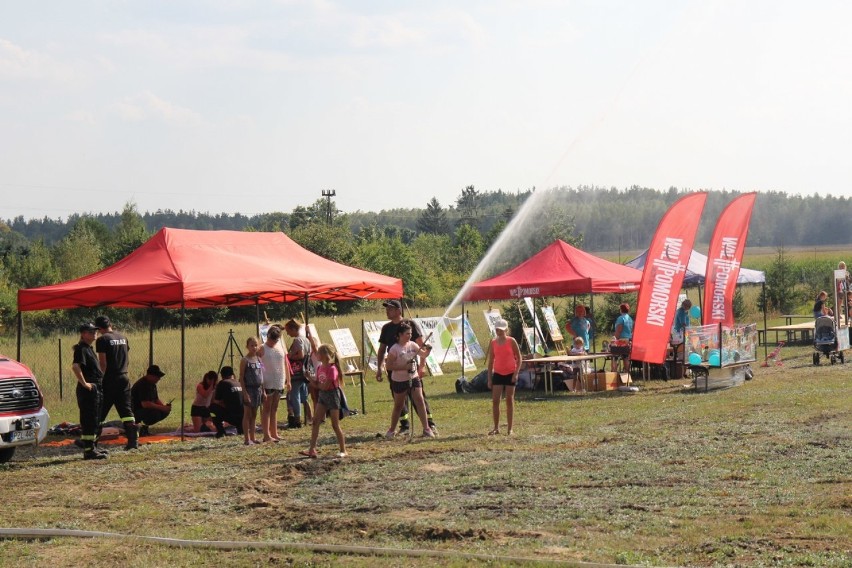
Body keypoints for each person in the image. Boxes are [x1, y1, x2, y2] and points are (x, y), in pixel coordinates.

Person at [376, 300, 438, 435]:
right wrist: (380, 368)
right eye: (387, 309)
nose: (387, 311)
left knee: (419, 399)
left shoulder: (411, 325)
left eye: (390, 309)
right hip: (395, 372)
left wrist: (422, 367)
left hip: (412, 372)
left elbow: (421, 347)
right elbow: (381, 350)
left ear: (399, 310)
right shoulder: (386, 329)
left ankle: (429, 426)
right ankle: (404, 426)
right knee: (399, 402)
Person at [95, 315, 138, 450]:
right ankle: (133, 441)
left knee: (100, 410)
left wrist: (99, 378)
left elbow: (103, 363)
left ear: (98, 328)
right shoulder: (123, 337)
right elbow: (126, 357)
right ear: (110, 324)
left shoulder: (102, 340)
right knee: (126, 409)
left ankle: (92, 442)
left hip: (110, 379)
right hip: (124, 377)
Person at [385, 322, 434, 439]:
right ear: (400, 335)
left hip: (413, 377)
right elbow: (389, 366)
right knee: (399, 405)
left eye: (411, 333)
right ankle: (391, 430)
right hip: (399, 380)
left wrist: (428, 350)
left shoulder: (413, 345)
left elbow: (423, 355)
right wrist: (404, 367)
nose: (410, 336)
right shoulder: (394, 349)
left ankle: (427, 429)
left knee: (420, 401)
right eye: (407, 334)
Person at [300, 343, 347, 459]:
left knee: (335, 425)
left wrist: (316, 384)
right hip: (323, 396)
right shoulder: (320, 367)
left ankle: (343, 450)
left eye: (319, 353)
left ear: (325, 355)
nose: (316, 355)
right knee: (316, 421)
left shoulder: (332, 369)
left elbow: (324, 386)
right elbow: (317, 384)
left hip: (332, 395)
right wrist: (309, 378)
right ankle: (312, 449)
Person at [72, 322, 107, 460]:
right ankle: (88, 451)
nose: (94, 334)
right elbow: (76, 366)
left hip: (97, 388)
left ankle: (93, 447)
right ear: (83, 334)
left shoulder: (89, 348)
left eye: (95, 331)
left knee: (97, 419)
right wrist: (85, 384)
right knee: (89, 420)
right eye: (91, 332)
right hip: (89, 390)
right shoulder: (81, 349)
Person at [485, 319, 521, 436]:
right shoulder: (493, 343)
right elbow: (491, 362)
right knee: (495, 401)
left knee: (509, 400)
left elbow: (519, 358)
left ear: (506, 329)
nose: (499, 332)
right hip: (498, 373)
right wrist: (490, 378)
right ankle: (496, 427)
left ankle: (510, 428)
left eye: (501, 329)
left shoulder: (512, 341)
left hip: (510, 373)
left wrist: (516, 374)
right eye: (497, 330)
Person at [257, 324, 290, 442]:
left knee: (275, 408)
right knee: (267, 408)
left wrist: (288, 380)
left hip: (279, 380)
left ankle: (274, 433)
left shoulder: (280, 347)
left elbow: (286, 364)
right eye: (272, 339)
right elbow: (259, 363)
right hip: (267, 381)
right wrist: (262, 375)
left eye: (276, 340)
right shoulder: (262, 348)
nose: (273, 342)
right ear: (268, 337)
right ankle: (266, 434)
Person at [284, 319, 312, 428]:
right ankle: (308, 418)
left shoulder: (297, 340)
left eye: (288, 330)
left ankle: (297, 419)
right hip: (304, 372)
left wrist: (289, 356)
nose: (287, 333)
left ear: (293, 329)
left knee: (293, 395)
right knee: (303, 396)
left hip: (297, 372)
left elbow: (301, 355)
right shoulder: (306, 340)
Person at [131, 365, 172, 435]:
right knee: (155, 413)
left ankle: (144, 428)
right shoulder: (143, 385)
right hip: (135, 411)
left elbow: (156, 399)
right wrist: (162, 408)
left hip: (145, 410)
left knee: (163, 412)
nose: (159, 379)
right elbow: (145, 404)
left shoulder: (152, 384)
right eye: (157, 376)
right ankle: (139, 427)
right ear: (150, 375)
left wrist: (164, 407)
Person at [239, 337, 265, 445]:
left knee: (254, 414)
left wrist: (263, 391)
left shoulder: (259, 359)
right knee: (247, 414)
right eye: (252, 345)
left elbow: (262, 374)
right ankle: (246, 439)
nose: (254, 347)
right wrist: (245, 393)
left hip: (258, 389)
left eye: (256, 345)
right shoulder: (245, 360)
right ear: (247, 347)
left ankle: (253, 437)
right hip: (249, 389)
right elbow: (241, 377)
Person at [210, 366, 244, 438]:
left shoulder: (223, 383)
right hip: (243, 417)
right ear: (233, 374)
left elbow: (216, 400)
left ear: (222, 375)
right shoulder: (239, 383)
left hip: (232, 416)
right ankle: (240, 428)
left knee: (212, 408)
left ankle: (221, 431)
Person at [610, 303, 634, 372]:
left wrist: (614, 339)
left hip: (621, 340)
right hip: (628, 340)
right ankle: (626, 373)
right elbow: (631, 330)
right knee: (626, 358)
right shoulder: (630, 319)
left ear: (621, 310)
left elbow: (619, 330)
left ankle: (613, 373)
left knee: (614, 357)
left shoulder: (621, 318)